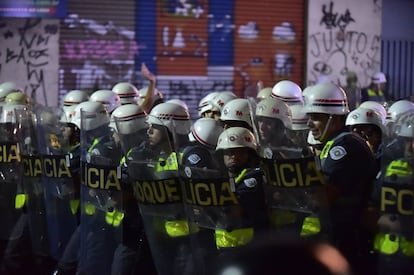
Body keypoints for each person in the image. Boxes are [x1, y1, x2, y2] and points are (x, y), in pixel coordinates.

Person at [304, 82, 378, 275]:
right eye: (309, 117)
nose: (309, 123)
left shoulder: (345, 147)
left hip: (348, 241)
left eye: (316, 118)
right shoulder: (336, 142)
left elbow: (324, 197)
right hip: (341, 238)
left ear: (334, 118)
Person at [370, 110, 414, 274]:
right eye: (407, 141)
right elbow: (373, 206)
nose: (410, 147)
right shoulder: (391, 170)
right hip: (387, 256)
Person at [213, 127, 269, 253]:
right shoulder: (221, 179)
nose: (233, 156)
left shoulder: (254, 177)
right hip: (224, 245)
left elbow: (235, 207)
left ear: (249, 154)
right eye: (228, 152)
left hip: (251, 247)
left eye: (239, 152)